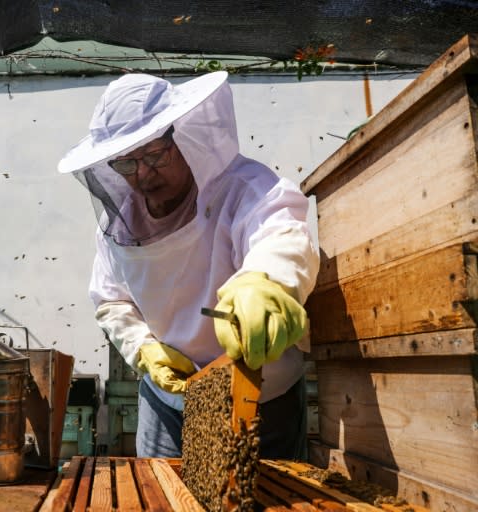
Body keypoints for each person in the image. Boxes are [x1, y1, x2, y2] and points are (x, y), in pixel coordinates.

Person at [57, 72, 319, 460]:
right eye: (127, 163)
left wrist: (266, 282)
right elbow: (111, 301)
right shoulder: (116, 226)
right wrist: (143, 349)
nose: (143, 174)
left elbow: (279, 232)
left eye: (154, 155)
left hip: (263, 396)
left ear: (184, 137)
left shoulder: (242, 188)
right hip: (167, 402)